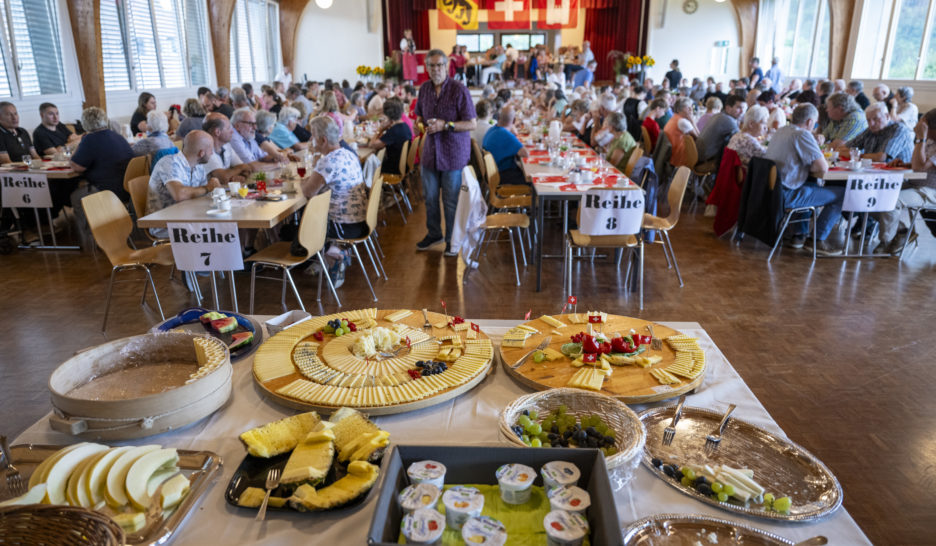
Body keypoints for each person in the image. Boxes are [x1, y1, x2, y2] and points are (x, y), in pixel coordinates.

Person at [414, 49, 477, 254]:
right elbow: (419, 117)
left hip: (453, 154)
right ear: (427, 68)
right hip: (430, 153)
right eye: (431, 65)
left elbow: (472, 123)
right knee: (430, 199)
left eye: (439, 65)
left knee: (450, 201)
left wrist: (446, 125)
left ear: (446, 66)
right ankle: (434, 234)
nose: (435, 69)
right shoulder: (424, 89)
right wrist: (418, 125)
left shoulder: (459, 90)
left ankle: (452, 239)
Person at [764, 103, 843, 254]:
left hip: (771, 191)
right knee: (843, 194)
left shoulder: (781, 131)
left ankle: (798, 235)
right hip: (786, 194)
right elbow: (822, 168)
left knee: (810, 184)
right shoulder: (802, 134)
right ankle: (817, 240)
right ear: (810, 122)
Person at [300, 115, 369, 285]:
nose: (311, 140)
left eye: (313, 136)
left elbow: (308, 192)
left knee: (300, 222)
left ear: (322, 140)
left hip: (341, 228)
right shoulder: (348, 153)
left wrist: (303, 182)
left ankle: (333, 254)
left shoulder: (328, 162)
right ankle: (327, 255)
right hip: (359, 222)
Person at [875, 109, 936, 254]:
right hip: (916, 185)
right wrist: (904, 164)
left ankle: (886, 241)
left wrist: (920, 138)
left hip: (931, 191)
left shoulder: (924, 140)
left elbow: (920, 168)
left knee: (893, 201)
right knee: (872, 194)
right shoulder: (930, 142)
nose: (920, 128)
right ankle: (902, 231)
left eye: (924, 126)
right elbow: (919, 165)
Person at [145, 130, 220, 238]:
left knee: (225, 225)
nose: (212, 153)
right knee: (217, 231)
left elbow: (205, 196)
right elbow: (179, 194)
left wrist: (215, 190)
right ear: (201, 153)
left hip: (188, 217)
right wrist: (208, 188)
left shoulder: (199, 167)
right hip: (163, 224)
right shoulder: (170, 163)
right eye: (211, 150)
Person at [843, 103, 913, 164]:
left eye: (876, 119)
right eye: (868, 120)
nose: (871, 123)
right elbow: (841, 149)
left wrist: (856, 156)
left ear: (887, 116)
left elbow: (881, 158)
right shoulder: (870, 130)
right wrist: (859, 156)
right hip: (874, 173)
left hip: (898, 175)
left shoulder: (899, 129)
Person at [482, 105, 529, 187]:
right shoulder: (505, 134)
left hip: (493, 174)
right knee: (531, 181)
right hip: (502, 176)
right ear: (514, 121)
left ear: (499, 117)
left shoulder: (492, 129)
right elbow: (525, 154)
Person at [695, 94, 746, 165]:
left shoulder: (718, 115)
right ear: (728, 108)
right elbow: (741, 140)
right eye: (739, 108)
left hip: (697, 155)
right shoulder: (728, 120)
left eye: (744, 108)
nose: (742, 112)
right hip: (706, 161)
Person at [201, 113, 251, 183]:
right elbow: (223, 178)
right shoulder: (205, 149)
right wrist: (240, 168)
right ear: (217, 132)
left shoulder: (226, 146)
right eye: (228, 128)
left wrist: (242, 176)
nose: (232, 131)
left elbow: (247, 168)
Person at [368, 98, 412, 175]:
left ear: (387, 114)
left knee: (367, 164)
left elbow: (372, 144)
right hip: (404, 164)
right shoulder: (404, 126)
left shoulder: (394, 131)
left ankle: (371, 186)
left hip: (394, 168)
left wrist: (380, 129)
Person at [663, 98, 699, 167]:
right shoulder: (682, 122)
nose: (691, 110)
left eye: (691, 107)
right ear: (679, 110)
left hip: (671, 153)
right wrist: (692, 121)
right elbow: (698, 137)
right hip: (680, 155)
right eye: (688, 108)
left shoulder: (674, 117)